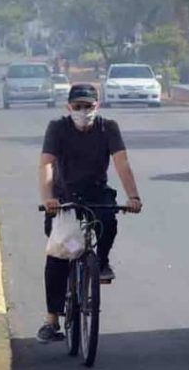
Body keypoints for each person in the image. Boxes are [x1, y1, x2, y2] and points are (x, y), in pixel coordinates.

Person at [36, 83, 143, 344]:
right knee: (61, 253)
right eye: (78, 106)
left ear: (98, 106)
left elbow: (122, 163)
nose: (83, 111)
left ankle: (101, 262)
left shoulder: (108, 128)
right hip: (64, 199)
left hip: (96, 193)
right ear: (68, 107)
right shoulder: (57, 128)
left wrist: (133, 196)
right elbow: (46, 165)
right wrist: (48, 198)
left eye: (88, 106)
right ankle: (52, 319)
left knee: (109, 221)